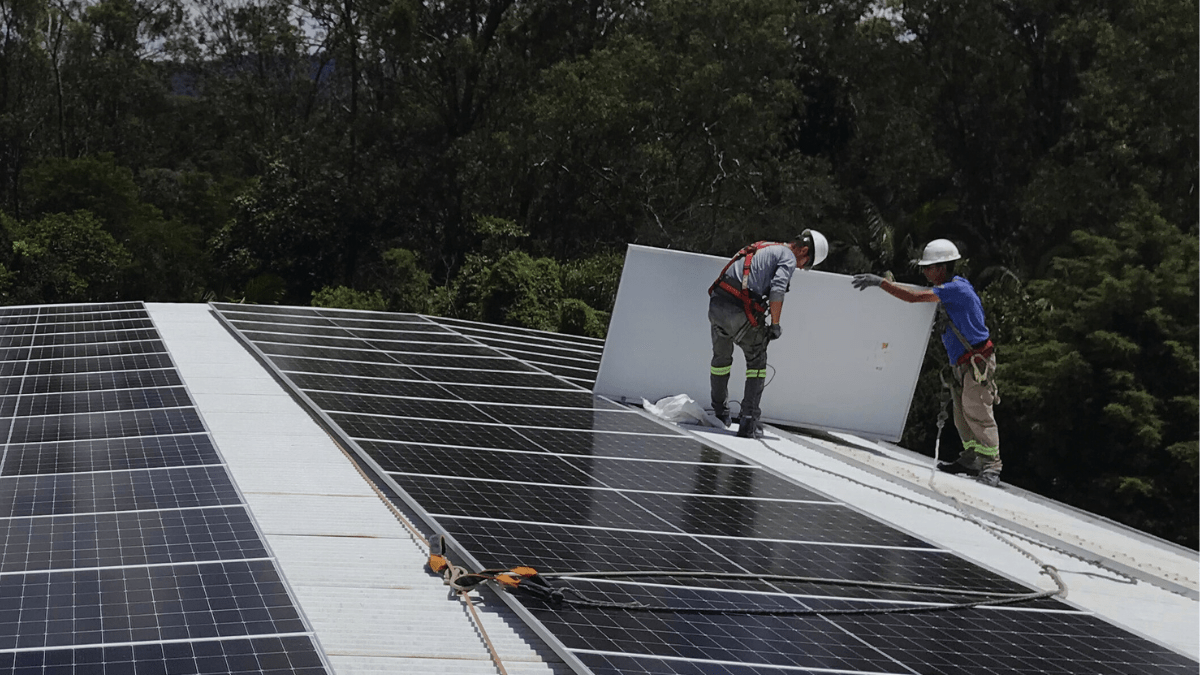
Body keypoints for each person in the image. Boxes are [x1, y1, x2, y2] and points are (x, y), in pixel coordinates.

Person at [851, 239, 1002, 486]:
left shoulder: (956, 290)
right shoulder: (952, 286)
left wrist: (882, 284)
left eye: (928, 267)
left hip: (976, 362)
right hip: (964, 363)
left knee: (978, 411)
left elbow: (914, 298)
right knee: (962, 414)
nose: (924, 272)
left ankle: (992, 467)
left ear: (942, 267)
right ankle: (972, 458)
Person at [708, 229, 828, 438]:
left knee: (721, 361)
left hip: (717, 305)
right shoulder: (788, 257)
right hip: (740, 311)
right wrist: (775, 324)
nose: (800, 268)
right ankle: (748, 421)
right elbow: (777, 290)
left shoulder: (766, 246)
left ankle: (719, 414)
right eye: (805, 264)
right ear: (804, 251)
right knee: (757, 364)